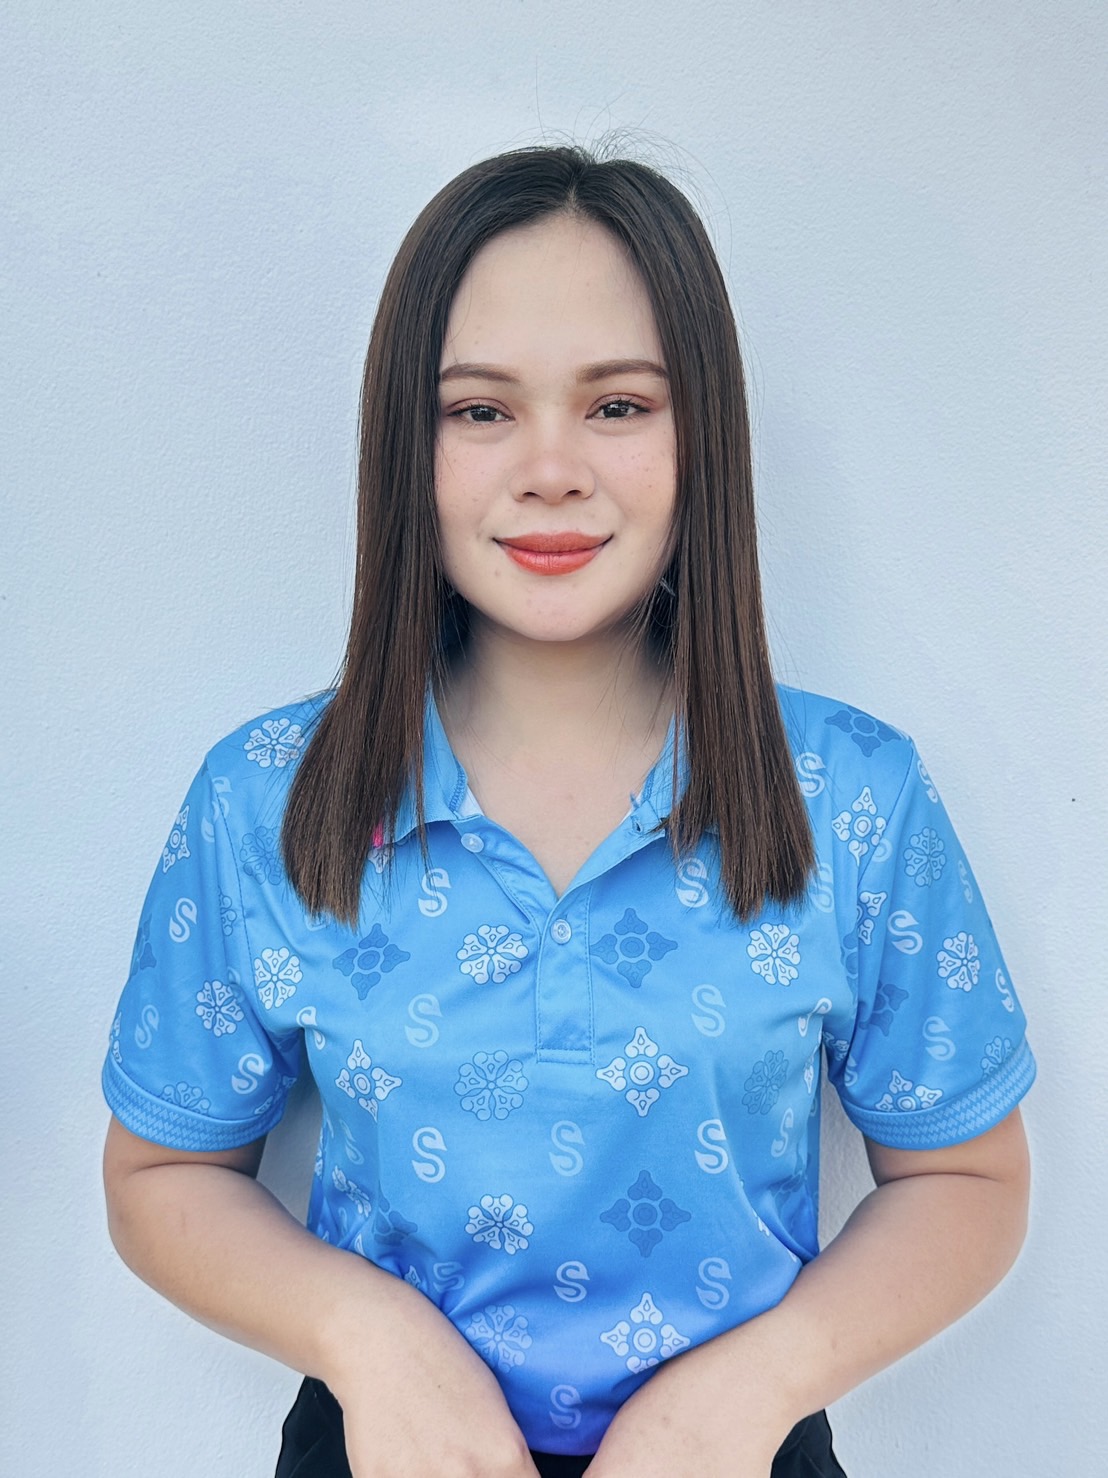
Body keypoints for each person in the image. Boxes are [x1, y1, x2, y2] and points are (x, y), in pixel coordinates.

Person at [102, 145, 1034, 1478]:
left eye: (618, 405)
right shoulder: (265, 797)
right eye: (481, 409)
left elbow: (967, 1179)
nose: (551, 469)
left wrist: (753, 1388)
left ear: (701, 432)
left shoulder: (852, 797)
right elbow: (160, 1175)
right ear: (406, 443)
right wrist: (369, 1341)